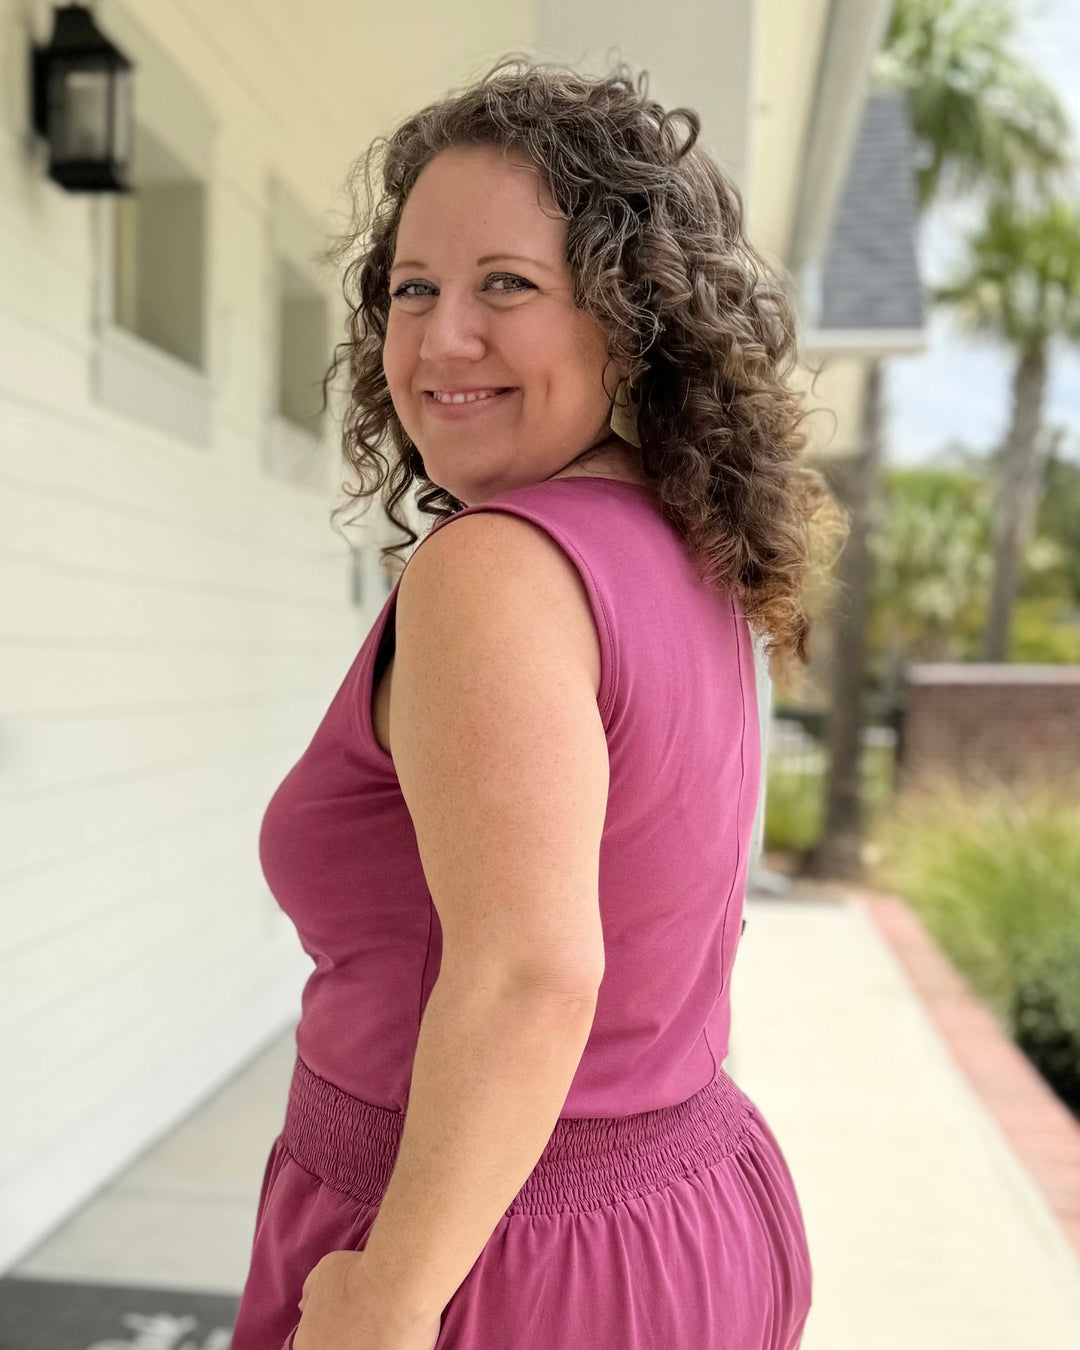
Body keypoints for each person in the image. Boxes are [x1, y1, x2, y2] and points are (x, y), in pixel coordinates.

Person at [231, 56, 836, 1350]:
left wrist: (390, 1296)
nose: (442, 338)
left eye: (506, 284)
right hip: (681, 1209)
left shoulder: (497, 569)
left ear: (629, 316)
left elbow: (531, 975)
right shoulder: (688, 549)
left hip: (482, 1255)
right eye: (413, 288)